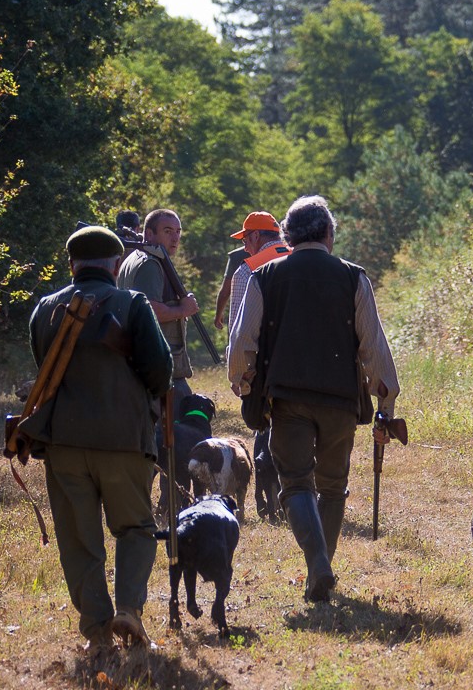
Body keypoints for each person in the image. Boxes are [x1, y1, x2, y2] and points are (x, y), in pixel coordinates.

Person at [229, 196, 399, 602]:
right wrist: (386, 402)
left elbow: (241, 340)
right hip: (341, 398)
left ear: (287, 235)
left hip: (287, 398)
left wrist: (242, 382)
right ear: (328, 234)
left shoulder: (263, 275)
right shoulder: (354, 277)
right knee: (334, 486)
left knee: (296, 484)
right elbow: (373, 345)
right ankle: (320, 570)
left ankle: (318, 567)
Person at [26, 225, 173, 653]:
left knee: (78, 540)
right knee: (135, 528)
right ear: (114, 264)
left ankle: (95, 629)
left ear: (72, 264)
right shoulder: (133, 304)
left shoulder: (45, 310)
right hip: (126, 441)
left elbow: (45, 368)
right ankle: (128, 608)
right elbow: (160, 372)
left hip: (64, 445)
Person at [118, 208, 199, 396]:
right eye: (168, 231)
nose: (175, 238)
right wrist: (183, 309)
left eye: (178, 231)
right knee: (186, 414)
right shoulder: (150, 264)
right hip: (157, 363)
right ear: (149, 234)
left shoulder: (135, 257)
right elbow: (150, 311)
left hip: (146, 360)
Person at [216, 211, 291, 339]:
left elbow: (238, 332)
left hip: (265, 354)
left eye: (245, 241)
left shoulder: (246, 270)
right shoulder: (300, 258)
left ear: (256, 236)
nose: (245, 248)